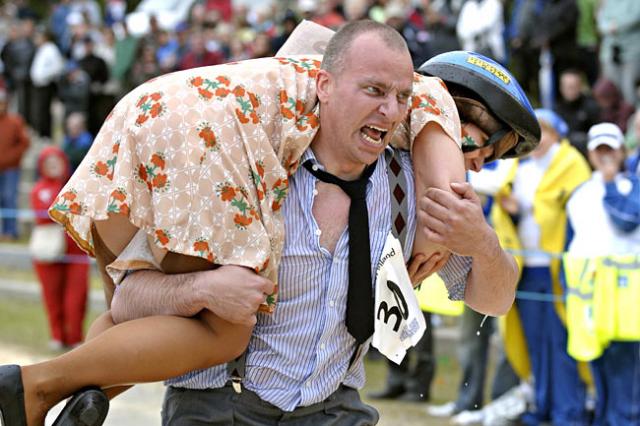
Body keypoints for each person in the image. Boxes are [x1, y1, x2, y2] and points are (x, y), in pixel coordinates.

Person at [0, 25, 535, 426]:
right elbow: (132, 297)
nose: (477, 163)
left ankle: (69, 392)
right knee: (214, 324)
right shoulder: (260, 155)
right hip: (223, 407)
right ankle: (51, 386)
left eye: (495, 157)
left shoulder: (432, 207)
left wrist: (481, 242)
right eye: (472, 141)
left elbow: (497, 298)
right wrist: (203, 287)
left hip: (333, 410)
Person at [491, 109, 592, 425]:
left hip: (558, 268)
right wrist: (513, 211)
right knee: (534, 341)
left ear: (557, 134)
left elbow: (573, 211)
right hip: (525, 265)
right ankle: (544, 405)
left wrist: (528, 208)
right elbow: (508, 209)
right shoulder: (519, 166)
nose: (539, 138)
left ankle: (569, 410)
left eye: (545, 131)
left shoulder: (571, 164)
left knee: (562, 343)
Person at [564, 122, 640, 426]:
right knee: (599, 369)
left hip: (626, 304)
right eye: (600, 150)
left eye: (611, 149)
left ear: (622, 151)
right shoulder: (580, 193)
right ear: (591, 154)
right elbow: (570, 245)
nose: (606, 155)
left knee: (627, 376)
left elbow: (626, 219)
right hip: (589, 299)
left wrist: (610, 184)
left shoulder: (632, 186)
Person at [30, 146, 90, 351]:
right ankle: (57, 336)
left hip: (76, 251)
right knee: (52, 296)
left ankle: (75, 337)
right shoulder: (40, 189)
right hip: (49, 250)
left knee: (77, 296)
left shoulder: (77, 185)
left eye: (58, 161)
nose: (54, 165)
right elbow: (45, 213)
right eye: (49, 162)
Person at [0, 86, 30, 241]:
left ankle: (10, 231)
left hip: (11, 169)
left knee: (9, 198)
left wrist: (12, 157)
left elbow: (25, 143)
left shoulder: (15, 122)